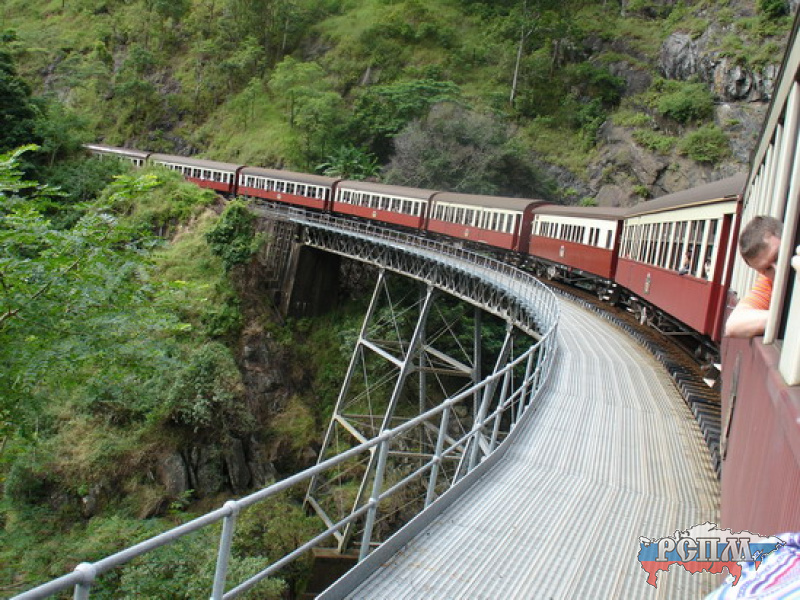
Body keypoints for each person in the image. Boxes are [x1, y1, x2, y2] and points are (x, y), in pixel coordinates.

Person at [724, 215, 783, 338]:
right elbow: (733, 325)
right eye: (767, 268)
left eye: (778, 257)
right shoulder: (768, 281)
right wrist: (784, 318)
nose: (778, 270)